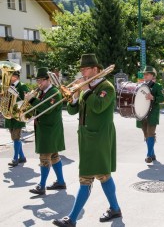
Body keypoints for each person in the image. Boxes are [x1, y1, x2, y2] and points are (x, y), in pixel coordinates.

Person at [53, 54, 121, 227]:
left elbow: (98, 107)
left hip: (99, 137)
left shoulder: (107, 87)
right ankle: (115, 209)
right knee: (103, 175)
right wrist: (75, 96)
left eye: (85, 69)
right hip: (86, 138)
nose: (82, 73)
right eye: (81, 69)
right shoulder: (86, 87)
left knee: (86, 177)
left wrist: (84, 91)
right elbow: (72, 111)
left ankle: (72, 219)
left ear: (96, 69)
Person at [26, 67, 66, 195]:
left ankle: (41, 186)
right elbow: (38, 109)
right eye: (37, 80)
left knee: (44, 157)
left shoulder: (54, 92)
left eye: (41, 80)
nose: (39, 83)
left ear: (48, 80)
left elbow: (46, 109)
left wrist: (32, 99)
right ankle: (60, 182)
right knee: (54, 156)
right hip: (45, 129)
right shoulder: (42, 93)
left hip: (50, 130)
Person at [136, 66, 164, 163]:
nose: (145, 76)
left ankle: (148, 155)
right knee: (146, 135)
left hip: (152, 113)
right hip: (142, 113)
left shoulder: (157, 86)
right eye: (144, 74)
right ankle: (152, 154)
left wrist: (153, 98)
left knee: (151, 133)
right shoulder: (140, 86)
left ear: (152, 76)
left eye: (147, 74)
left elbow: (162, 99)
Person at [5, 71, 29, 167]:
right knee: (14, 137)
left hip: (18, 115)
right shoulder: (7, 86)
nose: (10, 77)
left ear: (16, 77)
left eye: (11, 75)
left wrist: (15, 95)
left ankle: (15, 158)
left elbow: (26, 101)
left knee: (16, 137)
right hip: (9, 115)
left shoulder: (22, 86)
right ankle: (22, 157)